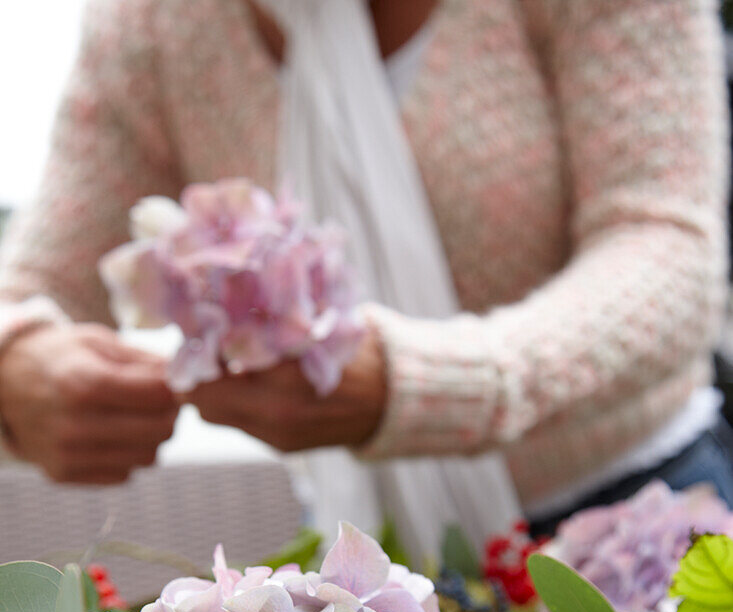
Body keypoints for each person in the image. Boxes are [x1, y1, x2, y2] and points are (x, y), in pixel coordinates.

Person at [0, 0, 729, 546]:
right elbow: (38, 286)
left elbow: (668, 251)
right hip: (369, 560)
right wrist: (18, 365)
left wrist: (425, 386)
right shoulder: (152, 22)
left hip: (636, 521)